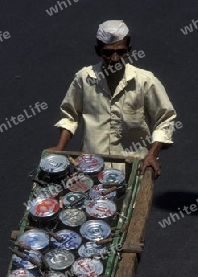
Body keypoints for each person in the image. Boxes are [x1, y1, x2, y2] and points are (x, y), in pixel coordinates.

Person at [49, 19, 177, 177]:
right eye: (108, 53)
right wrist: (59, 147)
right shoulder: (84, 78)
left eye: (121, 52)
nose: (115, 58)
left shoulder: (145, 81)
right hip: (91, 169)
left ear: (129, 50)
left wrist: (152, 154)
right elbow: (70, 115)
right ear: (98, 51)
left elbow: (166, 118)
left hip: (133, 170)